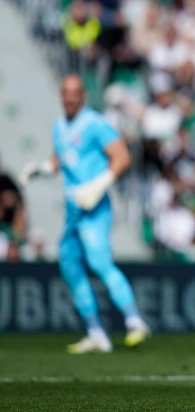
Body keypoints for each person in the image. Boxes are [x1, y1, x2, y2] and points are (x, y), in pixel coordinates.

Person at [19, 74, 150, 353]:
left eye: (75, 92)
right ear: (60, 94)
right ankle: (95, 332)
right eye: (65, 92)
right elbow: (61, 159)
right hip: (73, 208)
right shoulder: (59, 126)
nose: (70, 97)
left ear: (83, 96)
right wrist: (41, 168)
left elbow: (122, 158)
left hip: (95, 205)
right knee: (69, 265)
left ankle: (134, 320)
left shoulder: (95, 124)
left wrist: (98, 185)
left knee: (98, 260)